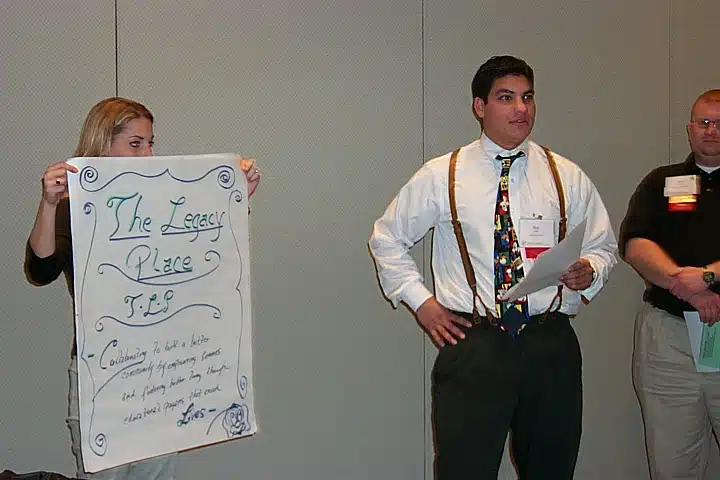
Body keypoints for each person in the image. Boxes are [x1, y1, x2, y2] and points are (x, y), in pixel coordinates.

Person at [368, 55, 617, 479]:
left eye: (527, 97)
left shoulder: (565, 175)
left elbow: (604, 246)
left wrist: (590, 270)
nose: (521, 109)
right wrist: (421, 302)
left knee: (551, 468)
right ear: (479, 107)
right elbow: (386, 238)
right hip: (475, 345)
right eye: (506, 98)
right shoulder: (442, 175)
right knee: (465, 469)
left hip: (549, 345)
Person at [23, 97, 261, 480]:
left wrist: (232, 198)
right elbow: (41, 268)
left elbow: (201, 255)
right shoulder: (76, 204)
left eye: (150, 143)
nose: (148, 153)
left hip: (161, 368)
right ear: (103, 143)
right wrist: (50, 203)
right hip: (102, 373)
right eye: (136, 144)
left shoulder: (164, 203)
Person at [619, 89, 720, 479]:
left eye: (719, 124)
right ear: (690, 130)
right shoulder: (662, 182)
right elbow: (635, 243)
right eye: (704, 123)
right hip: (670, 342)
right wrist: (686, 285)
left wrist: (708, 275)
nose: (711, 131)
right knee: (672, 464)